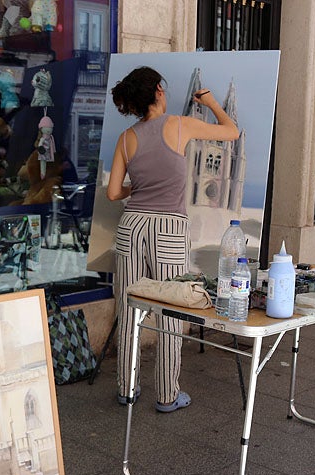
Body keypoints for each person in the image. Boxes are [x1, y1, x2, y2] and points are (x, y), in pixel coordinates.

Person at [106, 66, 238, 413]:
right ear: (160, 91)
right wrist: (210, 101)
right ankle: (166, 395)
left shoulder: (126, 138)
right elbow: (232, 132)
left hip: (131, 225)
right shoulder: (179, 125)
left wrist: (142, 187)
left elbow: (113, 192)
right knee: (170, 312)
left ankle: (126, 390)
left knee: (128, 306)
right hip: (168, 228)